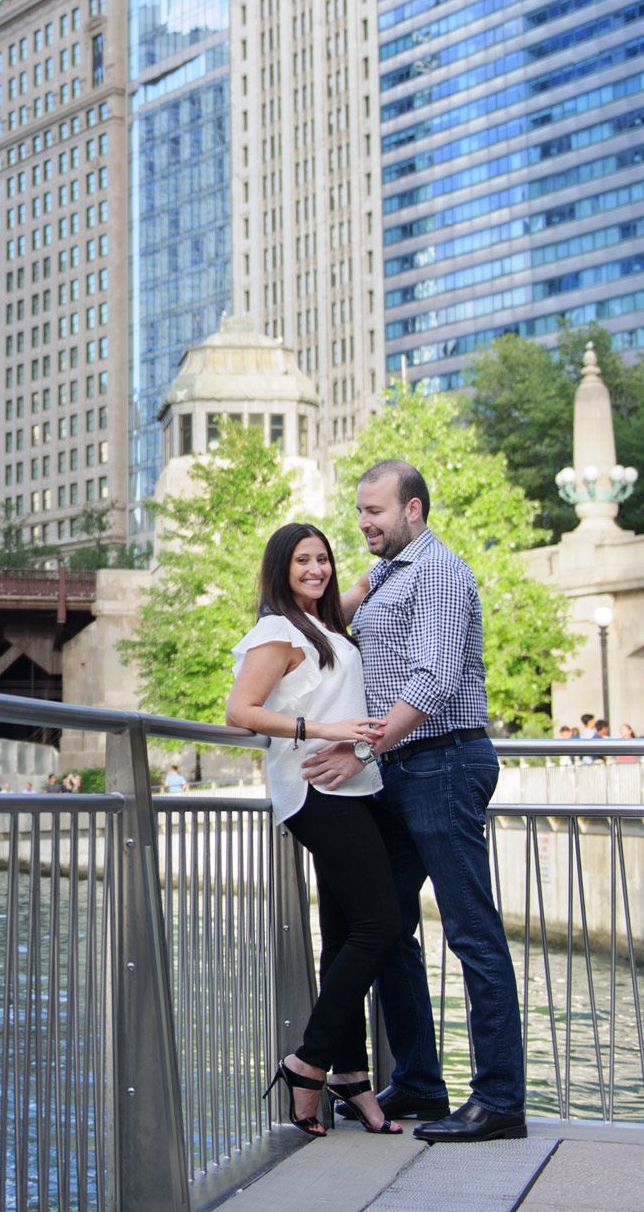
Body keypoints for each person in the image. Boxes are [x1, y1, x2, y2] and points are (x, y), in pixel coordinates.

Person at [303, 459, 527, 1143]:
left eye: (376, 511)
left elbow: (432, 680)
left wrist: (360, 749)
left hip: (443, 762)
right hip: (400, 770)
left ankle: (500, 1099)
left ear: (415, 509)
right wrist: (348, 579)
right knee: (387, 926)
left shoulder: (440, 573)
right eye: (360, 511)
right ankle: (423, 1082)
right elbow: (313, 623)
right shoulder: (391, 577)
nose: (364, 522)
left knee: (470, 930)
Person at [227, 521, 398, 1138]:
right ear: (281, 567)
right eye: (302, 561)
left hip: (353, 789)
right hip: (315, 789)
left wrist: (397, 544)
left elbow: (360, 582)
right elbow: (240, 710)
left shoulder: (323, 624)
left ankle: (350, 1077)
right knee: (382, 924)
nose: (316, 570)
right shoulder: (277, 630)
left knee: (348, 932)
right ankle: (307, 1062)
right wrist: (322, 730)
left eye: (322, 559)